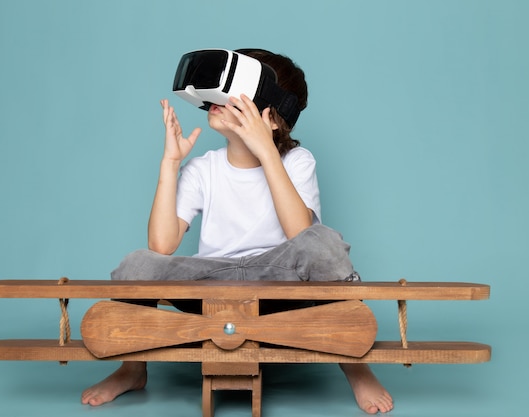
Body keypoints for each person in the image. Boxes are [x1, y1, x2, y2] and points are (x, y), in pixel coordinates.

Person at [81, 49, 393, 414]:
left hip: (279, 283)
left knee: (322, 240)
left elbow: (300, 233)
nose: (218, 101)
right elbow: (161, 245)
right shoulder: (203, 168)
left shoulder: (297, 161)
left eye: (235, 96)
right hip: (211, 279)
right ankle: (131, 369)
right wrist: (171, 163)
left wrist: (267, 151)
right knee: (137, 262)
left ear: (272, 117)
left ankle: (356, 368)